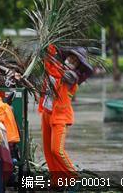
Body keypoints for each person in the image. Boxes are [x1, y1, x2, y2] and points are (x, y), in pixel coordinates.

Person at [38, 44, 93, 190]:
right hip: (46, 114)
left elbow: (66, 78)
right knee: (48, 151)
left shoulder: (71, 79)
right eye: (71, 58)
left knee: (57, 150)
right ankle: (58, 181)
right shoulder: (54, 67)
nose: (71, 61)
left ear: (78, 67)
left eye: (75, 62)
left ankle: (75, 178)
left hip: (59, 118)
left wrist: (68, 72)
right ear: (66, 57)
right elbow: (48, 61)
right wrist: (48, 44)